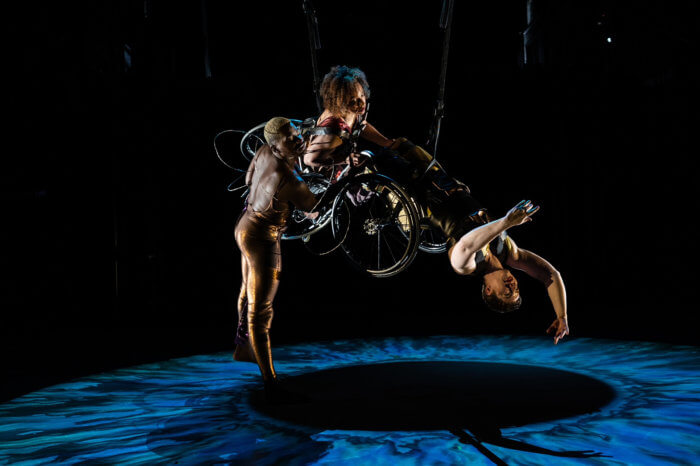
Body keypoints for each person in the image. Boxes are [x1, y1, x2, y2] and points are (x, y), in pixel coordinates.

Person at [303, 65, 569, 344]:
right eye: (516, 289)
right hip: (442, 184)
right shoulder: (509, 252)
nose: (512, 285)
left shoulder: (465, 265)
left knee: (375, 163)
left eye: (506, 292)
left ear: (487, 291)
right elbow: (550, 275)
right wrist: (562, 316)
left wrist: (506, 222)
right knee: (402, 146)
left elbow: (468, 243)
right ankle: (371, 149)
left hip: (418, 207)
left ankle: (321, 197)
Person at [233, 117, 318, 398]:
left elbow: (248, 179)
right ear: (276, 146)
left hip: (243, 227)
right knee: (262, 310)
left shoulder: (262, 151)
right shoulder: (289, 179)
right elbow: (314, 209)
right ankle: (271, 382)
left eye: (296, 135)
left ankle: (244, 347)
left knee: (247, 291)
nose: (297, 140)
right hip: (262, 239)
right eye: (290, 139)